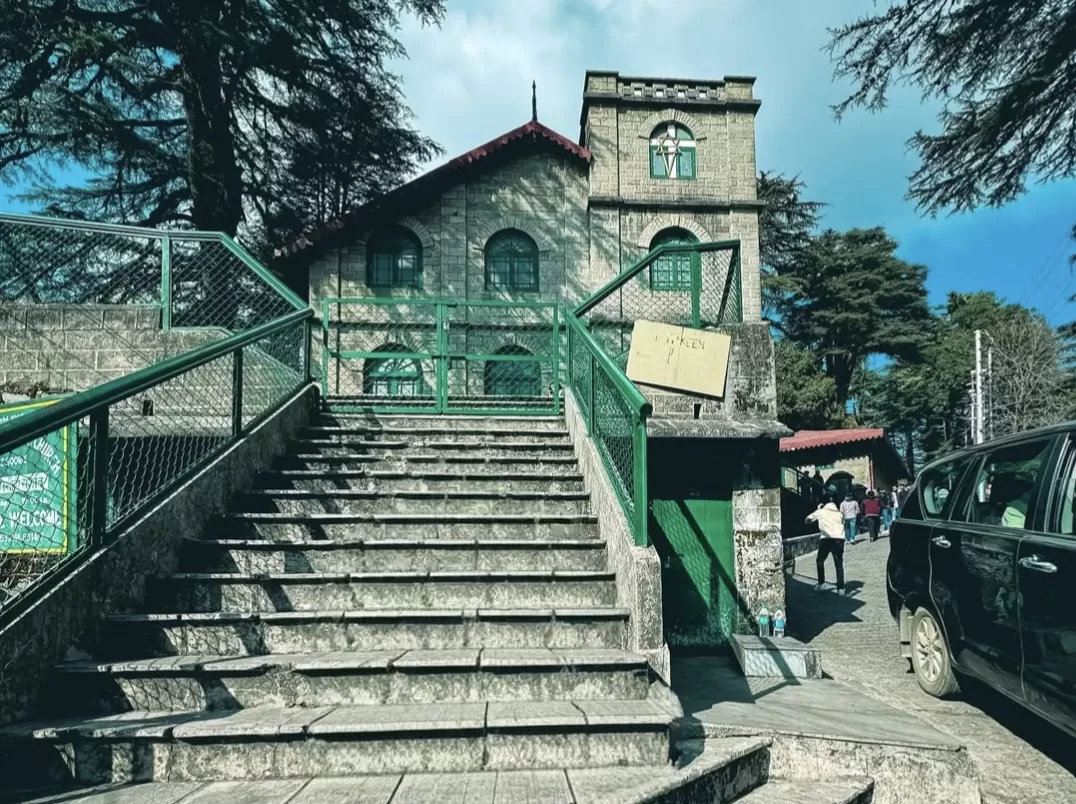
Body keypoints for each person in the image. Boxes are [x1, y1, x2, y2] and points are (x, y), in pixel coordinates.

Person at [806, 496, 846, 594]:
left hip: (826, 539)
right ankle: (840, 589)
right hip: (839, 539)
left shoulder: (821, 512)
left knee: (820, 560)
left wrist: (819, 510)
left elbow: (807, 520)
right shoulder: (840, 514)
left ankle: (822, 583)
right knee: (839, 564)